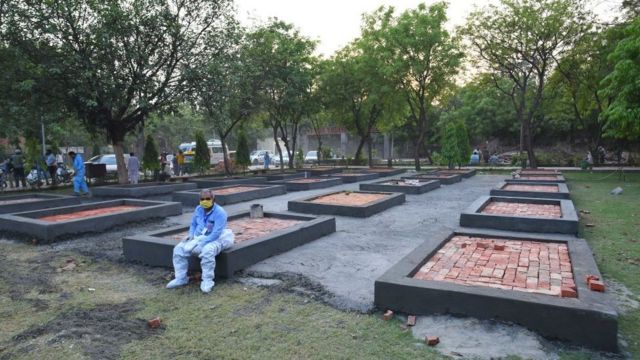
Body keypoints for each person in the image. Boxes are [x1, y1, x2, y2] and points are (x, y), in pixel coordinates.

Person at [166, 189, 234, 293]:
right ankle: (181, 278)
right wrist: (191, 235)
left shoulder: (220, 212)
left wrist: (201, 243)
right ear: (199, 200)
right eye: (202, 199)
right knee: (179, 249)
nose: (205, 201)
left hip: (217, 238)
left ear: (213, 199)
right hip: (199, 237)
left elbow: (216, 233)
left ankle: (207, 281)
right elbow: (193, 224)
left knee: (207, 251)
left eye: (207, 199)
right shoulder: (198, 209)